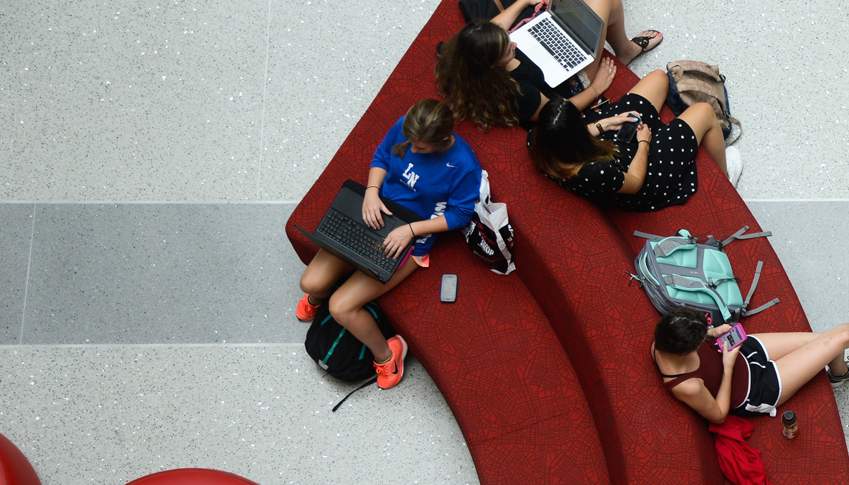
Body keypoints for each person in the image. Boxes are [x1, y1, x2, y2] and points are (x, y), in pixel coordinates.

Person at [295, 100, 480, 390]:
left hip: (410, 237)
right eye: (411, 145)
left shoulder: (464, 166)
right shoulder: (406, 125)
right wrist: (371, 193)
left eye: (421, 149)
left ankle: (388, 355)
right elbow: (382, 156)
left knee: (341, 307)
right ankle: (322, 291)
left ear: (443, 140)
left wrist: (410, 230)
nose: (413, 151)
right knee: (311, 283)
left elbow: (460, 214)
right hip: (374, 213)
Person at [529, 69, 741, 211]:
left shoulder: (537, 140)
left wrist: (609, 122)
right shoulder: (594, 172)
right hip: (641, 174)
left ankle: (665, 129)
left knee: (659, 78)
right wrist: (644, 143)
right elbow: (635, 183)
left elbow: (576, 136)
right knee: (703, 111)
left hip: (606, 150)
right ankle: (726, 177)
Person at [651, 308, 849, 423]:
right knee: (840, 338)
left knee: (832, 340)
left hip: (744, 350)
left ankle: (840, 373)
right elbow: (718, 415)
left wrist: (714, 331)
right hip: (757, 389)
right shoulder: (688, 386)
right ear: (686, 350)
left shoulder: (667, 335)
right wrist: (728, 366)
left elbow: (700, 332)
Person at [436, 0, 663, 130]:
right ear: (493, 65)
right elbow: (558, 111)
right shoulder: (519, 92)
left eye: (507, 37)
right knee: (606, 2)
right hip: (568, 84)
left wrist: (524, 1)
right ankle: (625, 52)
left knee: (603, 5)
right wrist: (597, 87)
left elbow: (493, 26)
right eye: (507, 50)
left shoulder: (472, 55)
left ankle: (624, 50)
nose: (513, 43)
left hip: (544, 56)